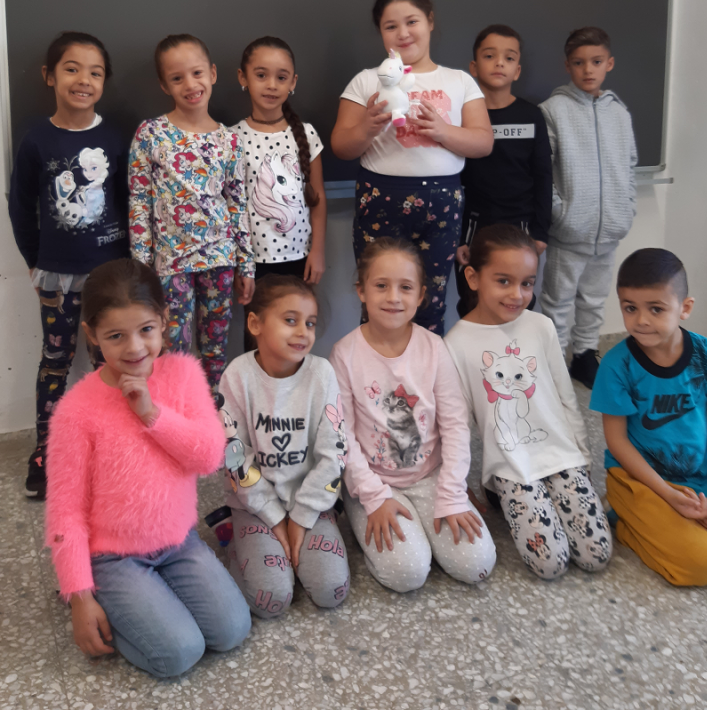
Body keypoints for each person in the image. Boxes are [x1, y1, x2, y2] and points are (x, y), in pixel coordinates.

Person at [45, 258, 250, 677]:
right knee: (178, 653)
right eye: (115, 336)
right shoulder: (75, 411)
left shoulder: (184, 374)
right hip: (114, 557)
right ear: (92, 335)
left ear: (164, 320)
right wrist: (80, 595)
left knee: (232, 630)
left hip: (178, 542)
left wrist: (153, 415)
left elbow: (209, 457)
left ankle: (150, 600)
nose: (135, 348)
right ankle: (115, 601)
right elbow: (65, 510)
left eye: (146, 330)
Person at [445, 225, 612, 580]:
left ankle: (554, 491)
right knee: (550, 565)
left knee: (596, 555)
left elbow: (566, 397)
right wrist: (458, 487)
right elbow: (457, 424)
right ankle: (503, 496)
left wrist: (582, 456)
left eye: (527, 283)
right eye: (503, 281)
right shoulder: (455, 343)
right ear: (473, 278)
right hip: (511, 465)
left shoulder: (542, 326)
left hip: (560, 453)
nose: (517, 294)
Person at [330, 236, 496, 592]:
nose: (393, 297)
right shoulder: (344, 355)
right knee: (407, 574)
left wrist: (452, 494)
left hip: (431, 475)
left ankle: (427, 525)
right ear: (361, 291)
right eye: (381, 286)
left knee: (476, 564)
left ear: (421, 296)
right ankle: (384, 526)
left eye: (405, 287)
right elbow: (342, 437)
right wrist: (374, 498)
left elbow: (455, 426)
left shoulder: (434, 348)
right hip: (374, 482)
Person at [330, 0, 493, 335]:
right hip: (379, 200)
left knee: (430, 300)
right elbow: (341, 146)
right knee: (378, 298)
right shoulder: (366, 81)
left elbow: (483, 142)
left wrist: (443, 131)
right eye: (391, 26)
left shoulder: (459, 81)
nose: (403, 33)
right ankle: (376, 368)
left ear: (430, 21)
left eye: (412, 21)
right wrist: (367, 128)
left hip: (442, 204)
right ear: (380, 33)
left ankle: (425, 366)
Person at [8, 31, 129, 500]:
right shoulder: (36, 140)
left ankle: (114, 445)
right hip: (57, 275)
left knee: (110, 362)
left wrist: (130, 268)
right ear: (49, 75)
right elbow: (21, 206)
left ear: (104, 81)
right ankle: (47, 450)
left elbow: (128, 204)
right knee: (55, 361)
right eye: (72, 69)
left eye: (95, 72)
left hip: (110, 277)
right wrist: (33, 260)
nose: (84, 80)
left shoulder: (114, 138)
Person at [590, 248, 707, 587]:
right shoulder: (616, 365)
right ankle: (625, 521)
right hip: (641, 482)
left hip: (701, 479)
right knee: (705, 566)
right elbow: (617, 442)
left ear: (685, 308)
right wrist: (669, 495)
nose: (641, 320)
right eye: (630, 308)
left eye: (656, 309)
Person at [217, 275, 350, 619]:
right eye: (290, 320)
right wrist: (275, 519)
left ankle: (297, 543)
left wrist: (302, 518)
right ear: (255, 324)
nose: (303, 332)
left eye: (310, 323)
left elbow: (334, 453)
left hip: (311, 501)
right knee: (270, 600)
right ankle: (233, 541)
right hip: (255, 504)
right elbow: (235, 457)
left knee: (331, 591)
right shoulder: (237, 376)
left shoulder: (322, 374)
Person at [129, 34, 254, 392]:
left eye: (197, 73)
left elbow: (237, 203)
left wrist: (246, 264)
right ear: (164, 85)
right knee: (174, 351)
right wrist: (141, 267)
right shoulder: (151, 134)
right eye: (177, 78)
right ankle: (176, 411)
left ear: (212, 74)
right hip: (171, 263)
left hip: (220, 260)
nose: (190, 84)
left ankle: (211, 411)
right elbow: (139, 202)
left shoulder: (229, 140)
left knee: (215, 350)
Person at [538, 27, 637, 388]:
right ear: (567, 66)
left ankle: (584, 355)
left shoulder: (619, 113)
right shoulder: (553, 110)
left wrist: (626, 208)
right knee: (558, 302)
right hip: (569, 231)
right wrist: (559, 212)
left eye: (596, 62)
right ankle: (554, 364)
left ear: (609, 63)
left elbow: (629, 164)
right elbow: (543, 169)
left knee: (595, 300)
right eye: (579, 63)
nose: (588, 70)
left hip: (609, 230)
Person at [233, 36, 327, 346]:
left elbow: (318, 198)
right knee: (257, 338)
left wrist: (317, 251)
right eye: (261, 75)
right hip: (253, 261)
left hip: (299, 258)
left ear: (293, 82)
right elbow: (231, 207)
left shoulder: (306, 134)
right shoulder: (232, 138)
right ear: (243, 77)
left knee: (295, 334)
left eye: (281, 77)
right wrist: (239, 265)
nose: (271, 85)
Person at [455, 25, 552, 317]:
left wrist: (540, 232)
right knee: (472, 300)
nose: (499, 63)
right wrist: (458, 238)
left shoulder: (531, 115)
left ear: (517, 70)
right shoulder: (461, 117)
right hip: (475, 225)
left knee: (517, 302)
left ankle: (515, 349)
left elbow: (543, 175)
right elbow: (453, 179)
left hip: (521, 226)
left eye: (509, 58)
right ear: (474, 67)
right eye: (489, 56)